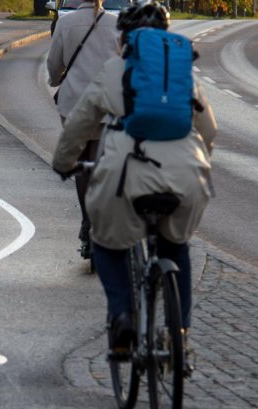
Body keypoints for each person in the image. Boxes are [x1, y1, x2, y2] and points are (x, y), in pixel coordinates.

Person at [52, 1, 217, 357]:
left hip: (126, 174)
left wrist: (64, 163)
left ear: (123, 38)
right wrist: (197, 166)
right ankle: (180, 334)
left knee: (106, 243)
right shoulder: (183, 75)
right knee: (177, 248)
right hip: (186, 177)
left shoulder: (115, 70)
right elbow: (209, 129)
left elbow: (79, 125)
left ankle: (123, 315)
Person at [47, 0, 120, 260]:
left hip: (75, 105)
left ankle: (87, 224)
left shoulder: (65, 23)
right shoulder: (116, 24)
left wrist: (56, 80)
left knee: (81, 167)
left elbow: (54, 64)